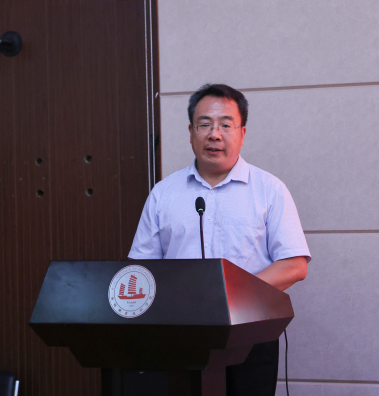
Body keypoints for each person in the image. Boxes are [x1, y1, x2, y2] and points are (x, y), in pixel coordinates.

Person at [129, 83, 311, 395]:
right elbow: (141, 269)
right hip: (181, 333)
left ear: (242, 133)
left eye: (226, 125)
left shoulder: (269, 190)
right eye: (204, 125)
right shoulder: (163, 194)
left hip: (251, 333)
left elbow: (294, 265)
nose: (214, 134)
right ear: (191, 132)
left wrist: (231, 296)